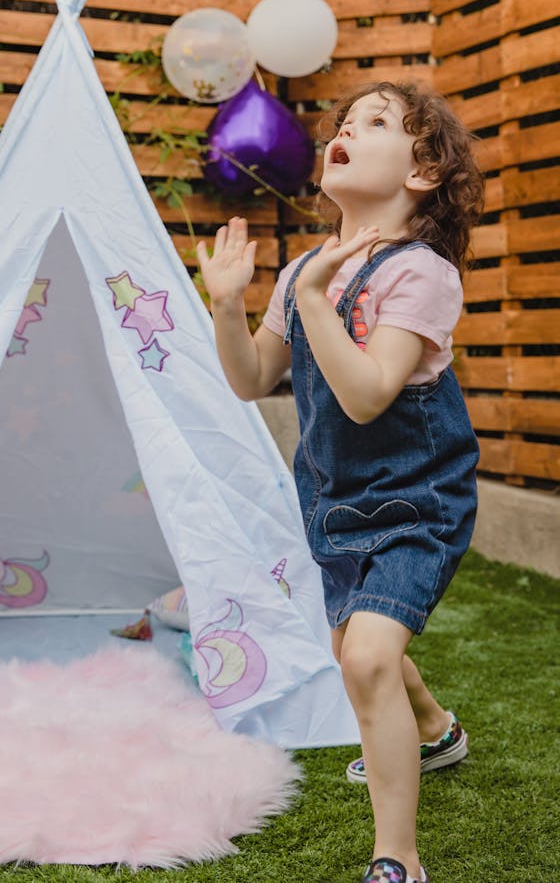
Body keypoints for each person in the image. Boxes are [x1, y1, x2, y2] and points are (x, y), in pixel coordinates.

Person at [196, 80, 484, 883]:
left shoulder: (419, 273)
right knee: (355, 643)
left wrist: (317, 298)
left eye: (378, 123)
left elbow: (366, 393)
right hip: (336, 505)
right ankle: (433, 728)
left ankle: (398, 856)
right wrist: (228, 305)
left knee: (364, 657)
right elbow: (253, 378)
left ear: (421, 172)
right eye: (346, 121)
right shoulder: (299, 275)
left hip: (417, 503)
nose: (348, 128)